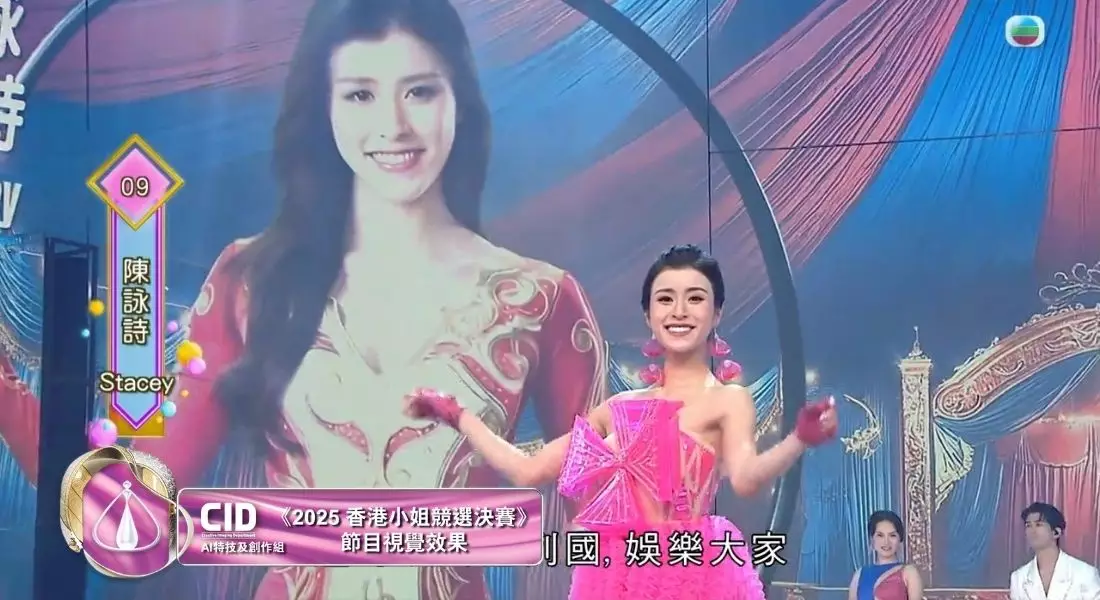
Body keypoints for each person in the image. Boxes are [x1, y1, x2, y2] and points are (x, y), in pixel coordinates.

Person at [0, 0, 606, 598]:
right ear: (323, 108)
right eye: (360, 94)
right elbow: (132, 512)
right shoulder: (252, 280)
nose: (394, 125)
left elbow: (612, 523)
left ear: (460, 101)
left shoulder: (542, 299)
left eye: (420, 91)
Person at [404, 244, 839, 599]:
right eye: (665, 299)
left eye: (695, 298)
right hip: (617, 576)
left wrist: (798, 440)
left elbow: (745, 479)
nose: (679, 311)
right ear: (648, 316)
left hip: (693, 570)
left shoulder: (728, 399)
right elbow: (527, 469)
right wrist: (456, 415)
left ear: (717, 313)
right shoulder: (617, 408)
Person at [1009, 502, 1100, 600]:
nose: (1032, 530)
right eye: (1028, 525)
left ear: (1056, 532)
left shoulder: (1085, 573)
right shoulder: (1019, 578)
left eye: (1038, 525)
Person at [847, 510, 923, 600]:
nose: (886, 542)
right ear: (872, 539)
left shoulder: (909, 572)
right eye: (880, 535)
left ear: (900, 540)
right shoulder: (859, 575)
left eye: (892, 535)